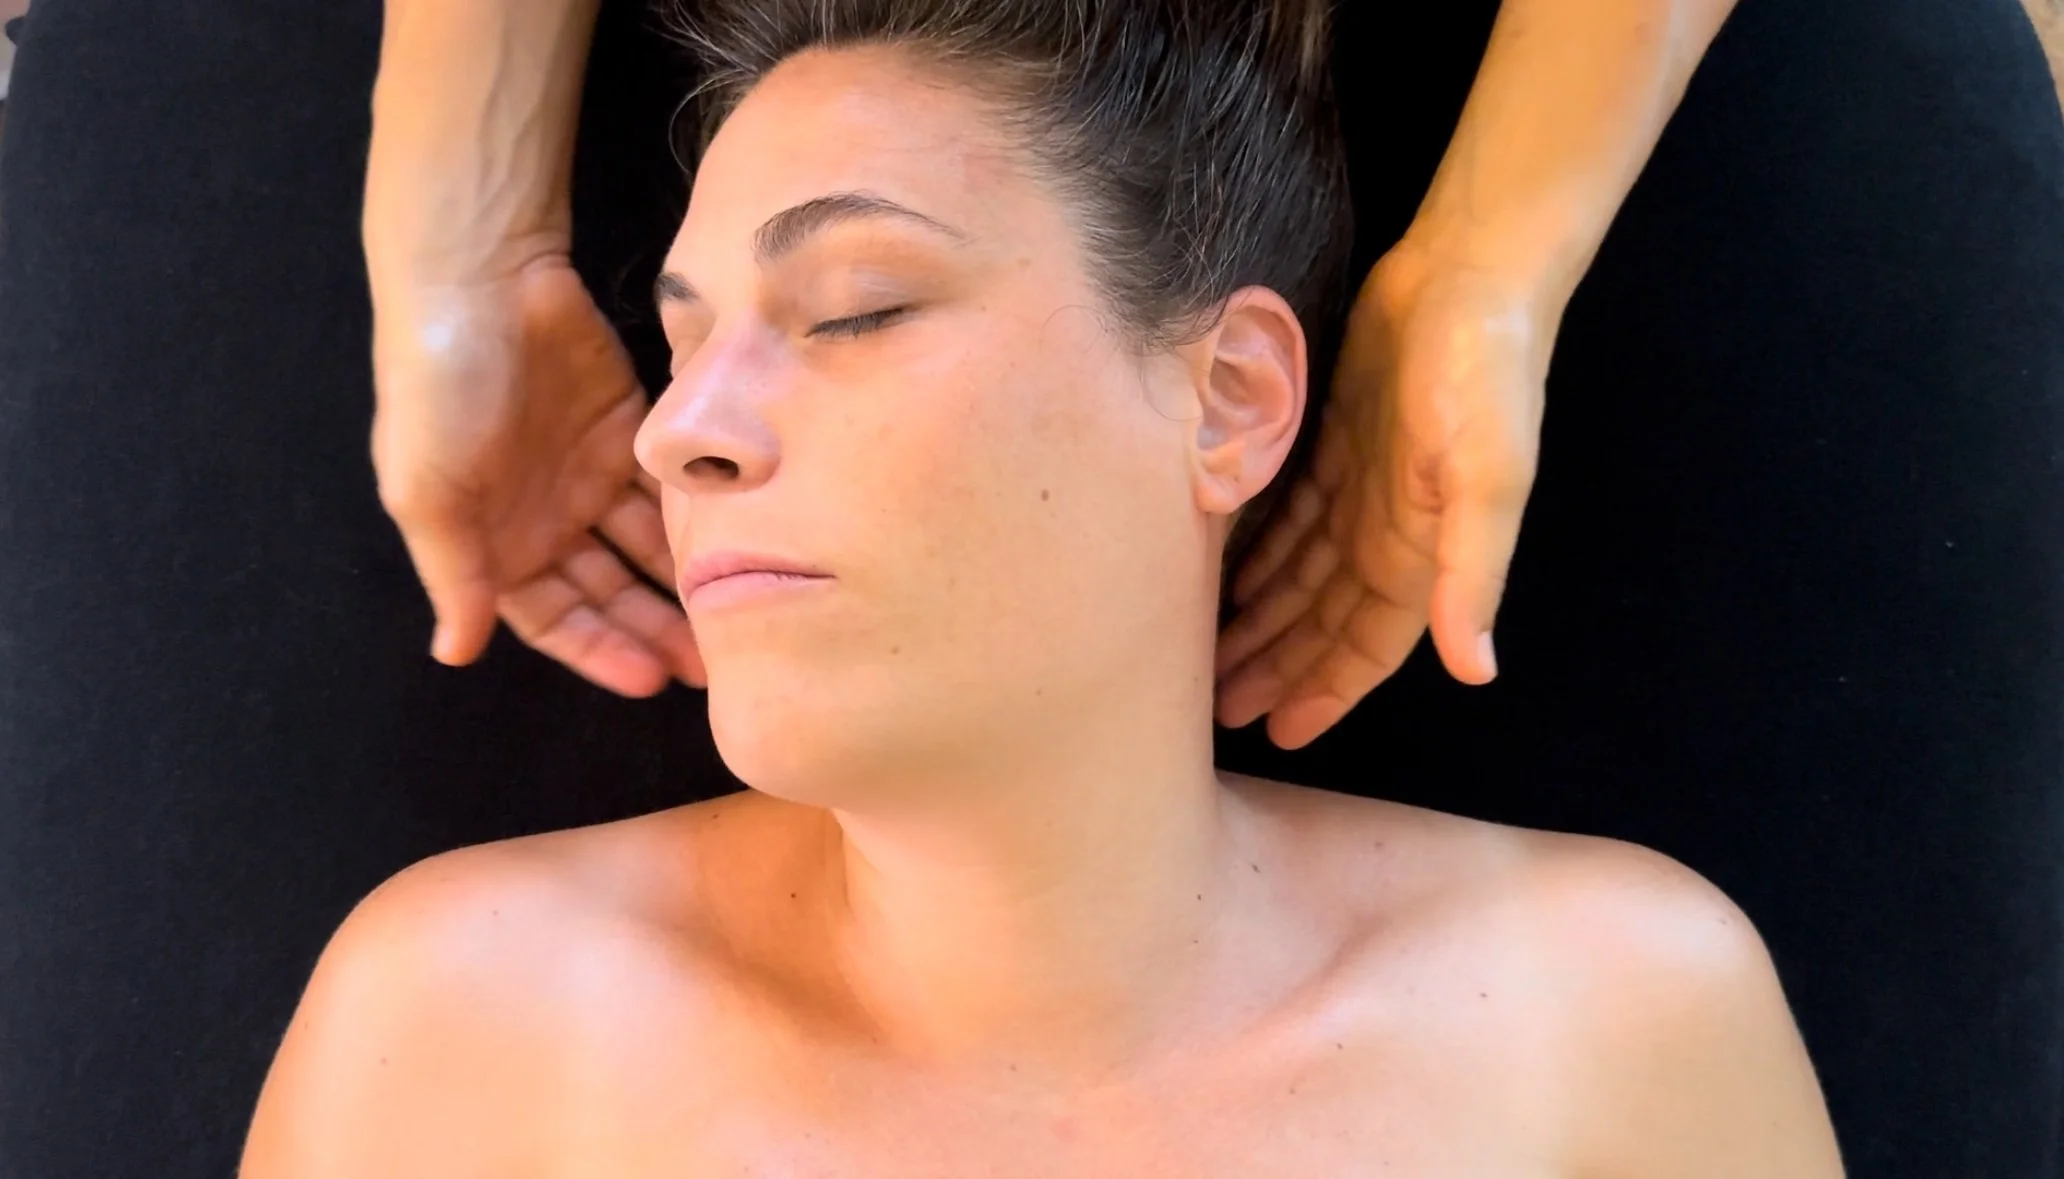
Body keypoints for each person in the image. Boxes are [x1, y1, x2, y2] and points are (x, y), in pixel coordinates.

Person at [0, 0, 2058, 1175]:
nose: (673, 428)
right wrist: (454, 221)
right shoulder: (454, 1033)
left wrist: (1489, 271)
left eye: (858, 308)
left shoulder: (1616, 1034)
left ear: (1236, 395)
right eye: (683, 331)